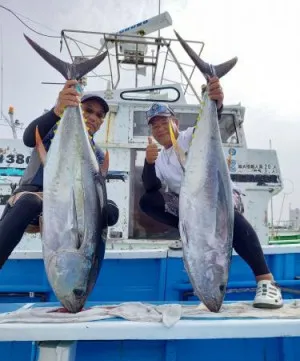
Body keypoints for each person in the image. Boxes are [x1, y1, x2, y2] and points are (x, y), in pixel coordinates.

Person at [139, 77, 283, 309]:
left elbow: (212, 120)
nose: (159, 128)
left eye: (163, 122)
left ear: (175, 122)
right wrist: (147, 162)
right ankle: (191, 232)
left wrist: (215, 103)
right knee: (147, 201)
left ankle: (266, 281)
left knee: (228, 219)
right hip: (190, 209)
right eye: (154, 125)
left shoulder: (190, 137)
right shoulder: (160, 158)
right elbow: (151, 189)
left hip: (220, 198)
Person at [0, 80, 119, 268]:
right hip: (38, 198)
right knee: (29, 202)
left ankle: (87, 266)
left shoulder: (97, 154)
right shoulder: (53, 132)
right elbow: (29, 138)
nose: (94, 117)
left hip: (71, 209)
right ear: (77, 108)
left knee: (111, 212)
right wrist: (58, 110)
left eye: (100, 115)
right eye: (88, 110)